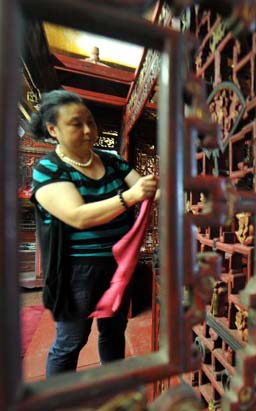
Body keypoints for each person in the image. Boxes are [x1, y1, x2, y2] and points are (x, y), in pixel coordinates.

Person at [29, 90, 158, 376]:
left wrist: (160, 185)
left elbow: (146, 189)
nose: (89, 131)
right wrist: (132, 196)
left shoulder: (112, 162)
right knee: (71, 341)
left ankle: (111, 387)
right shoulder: (48, 169)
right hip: (76, 271)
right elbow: (77, 216)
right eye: (76, 124)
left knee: (114, 331)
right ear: (54, 129)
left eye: (91, 122)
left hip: (118, 266)